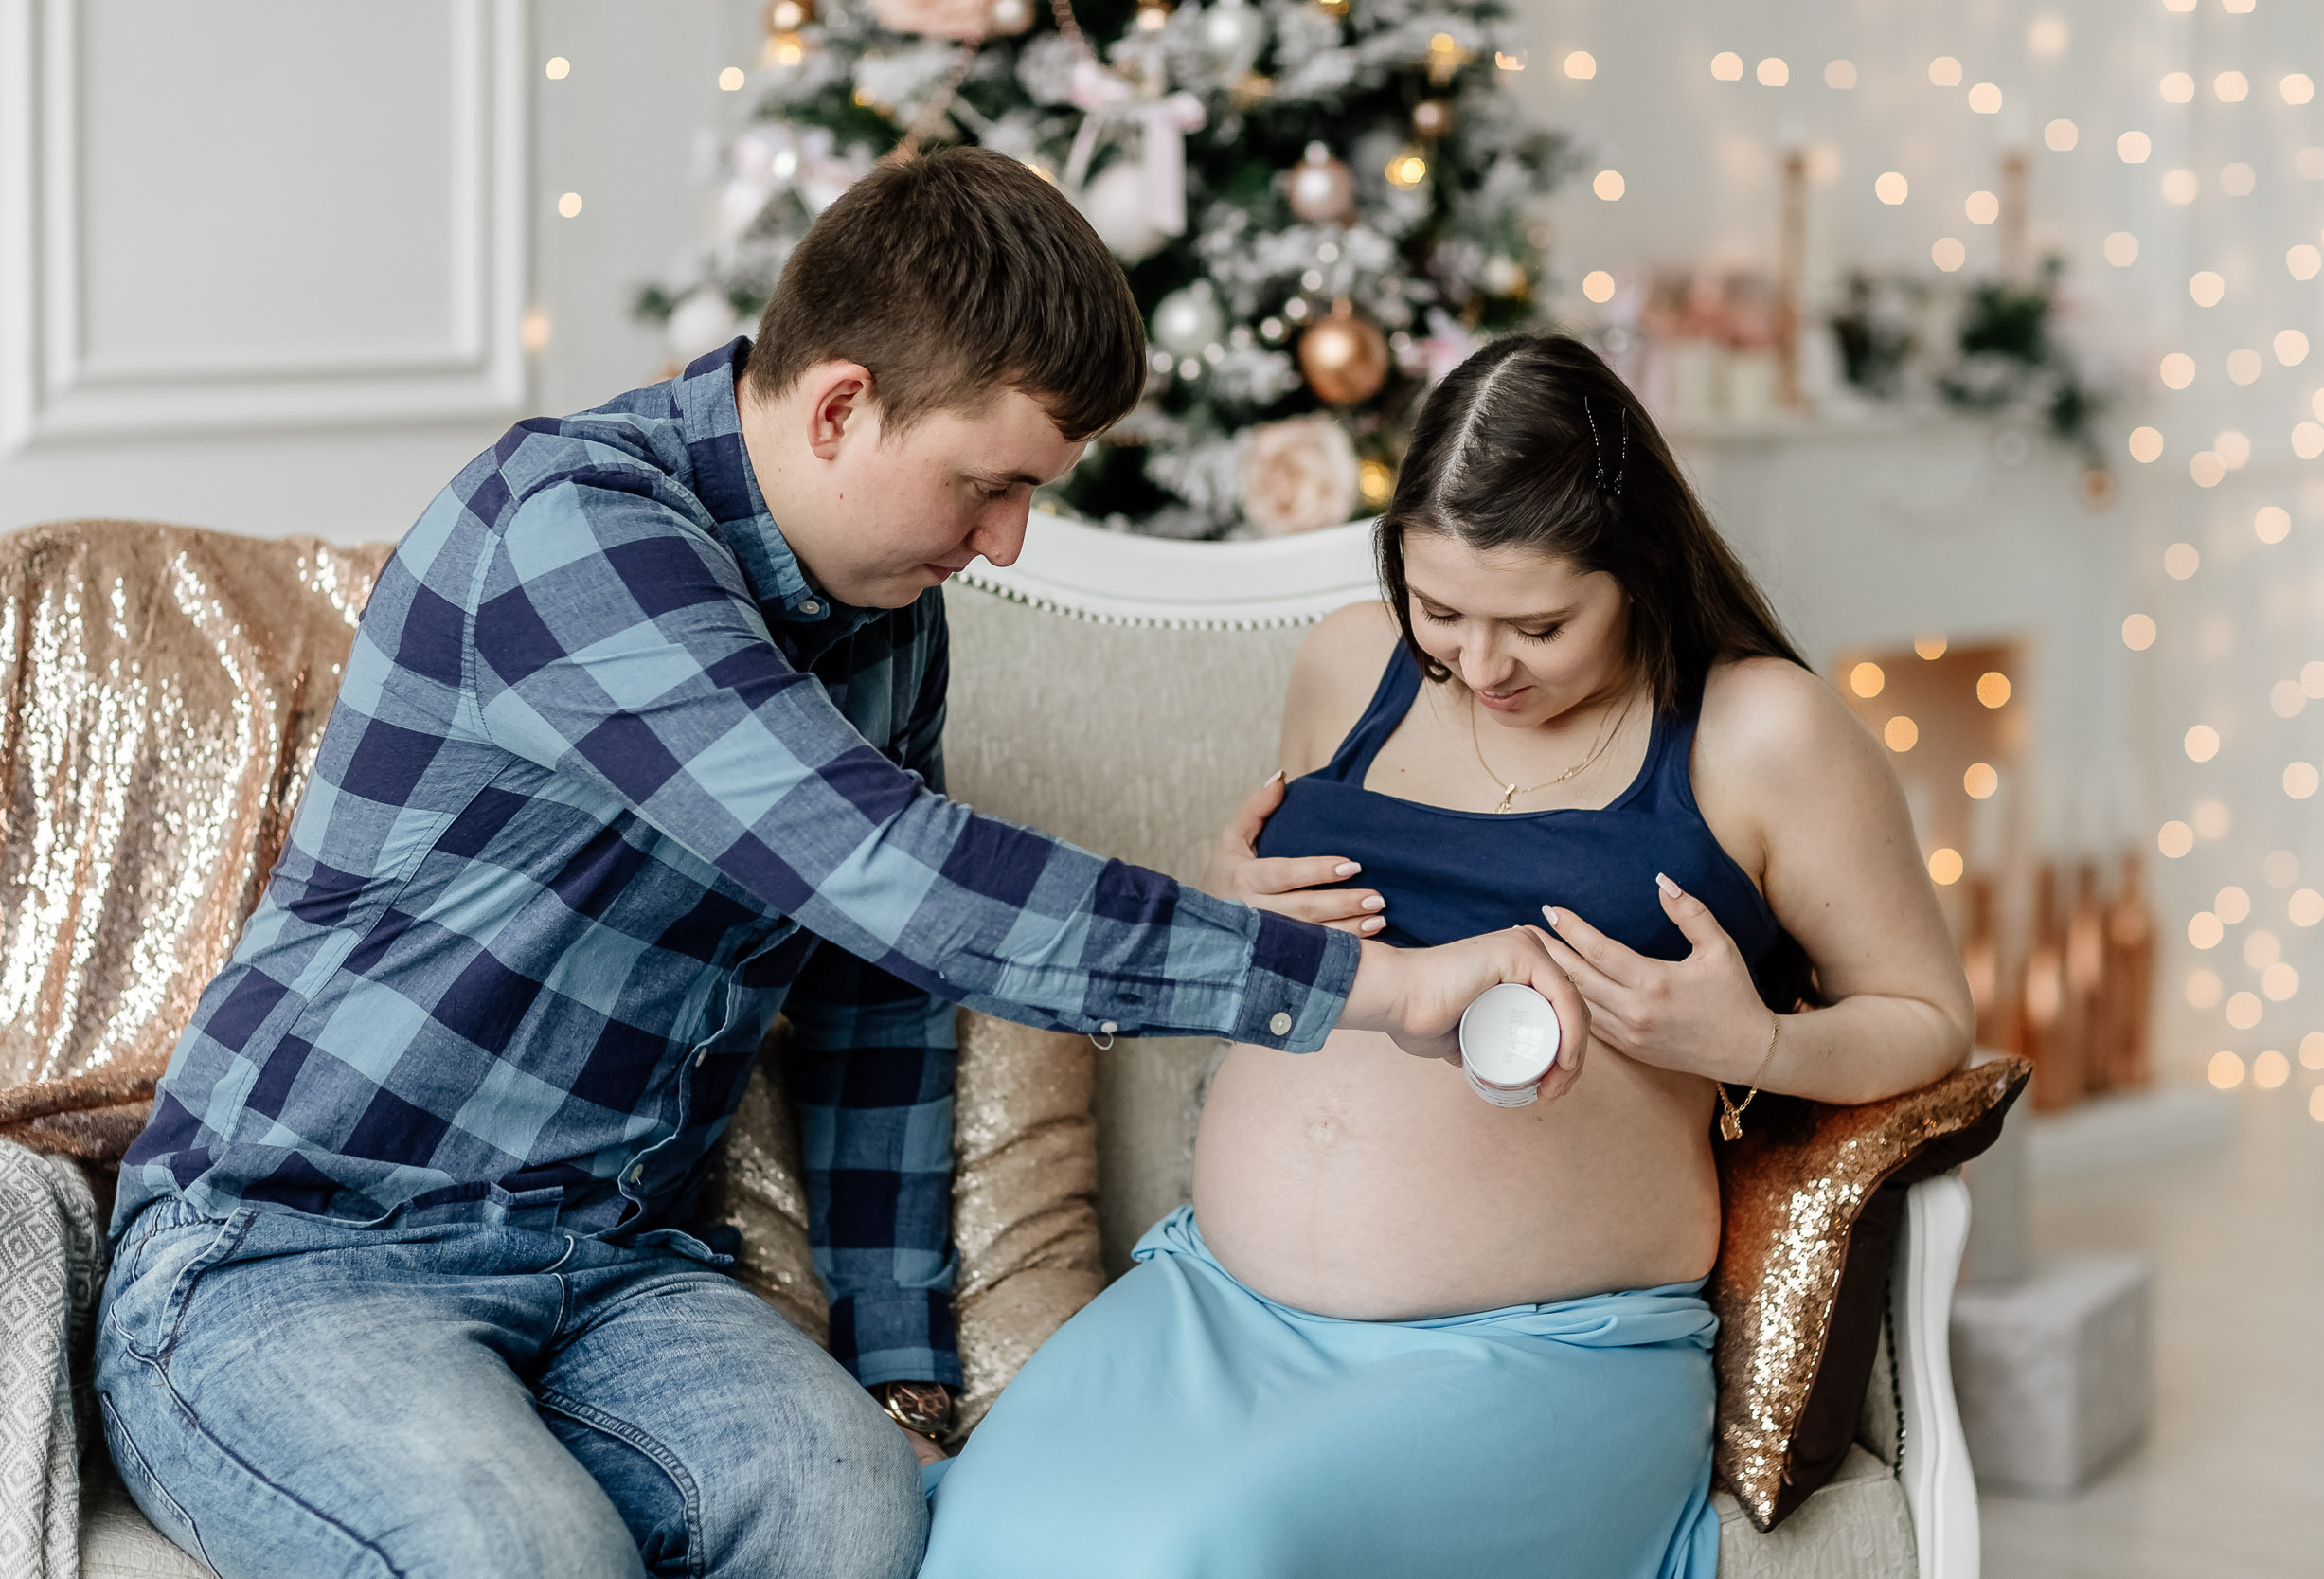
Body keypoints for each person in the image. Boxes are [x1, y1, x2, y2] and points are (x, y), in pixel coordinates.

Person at [90, 149, 1588, 1579]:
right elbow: (900, 879)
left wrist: (902, 1380)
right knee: (515, 1557)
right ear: (839, 406)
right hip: (294, 1248)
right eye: (984, 485)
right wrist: (1371, 987)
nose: (1004, 544)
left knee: (853, 1516)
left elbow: (882, 995)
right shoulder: (571, 531)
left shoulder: (887, 624)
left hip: (609, 1265)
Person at [916, 332, 1977, 1579]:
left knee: (1208, 1552)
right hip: (1211, 1307)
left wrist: (1757, 1043)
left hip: (1541, 1352)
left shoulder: (1760, 734)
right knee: (982, 1529)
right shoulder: (1348, 664)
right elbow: (1280, 949)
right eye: (1443, 614)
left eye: (1536, 624)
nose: (1481, 667)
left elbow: (1926, 1014)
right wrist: (1232, 902)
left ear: (1635, 571)